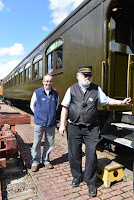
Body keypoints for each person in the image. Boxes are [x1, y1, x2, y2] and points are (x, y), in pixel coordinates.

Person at [59, 65, 131, 197]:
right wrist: (62, 125)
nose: (87, 77)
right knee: (74, 153)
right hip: (74, 126)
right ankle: (76, 176)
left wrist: (122, 103)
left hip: (91, 128)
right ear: (78, 76)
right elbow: (65, 107)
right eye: (84, 75)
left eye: (89, 75)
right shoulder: (71, 89)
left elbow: (106, 100)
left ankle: (90, 182)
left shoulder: (96, 89)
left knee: (91, 154)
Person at [30, 74, 59, 172]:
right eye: (46, 81)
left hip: (51, 123)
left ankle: (46, 161)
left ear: (52, 82)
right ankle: (35, 162)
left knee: (50, 143)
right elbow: (32, 106)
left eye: (50, 81)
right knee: (37, 143)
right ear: (43, 82)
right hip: (39, 123)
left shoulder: (55, 94)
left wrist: (50, 116)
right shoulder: (37, 93)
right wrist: (39, 115)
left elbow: (56, 106)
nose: (48, 83)